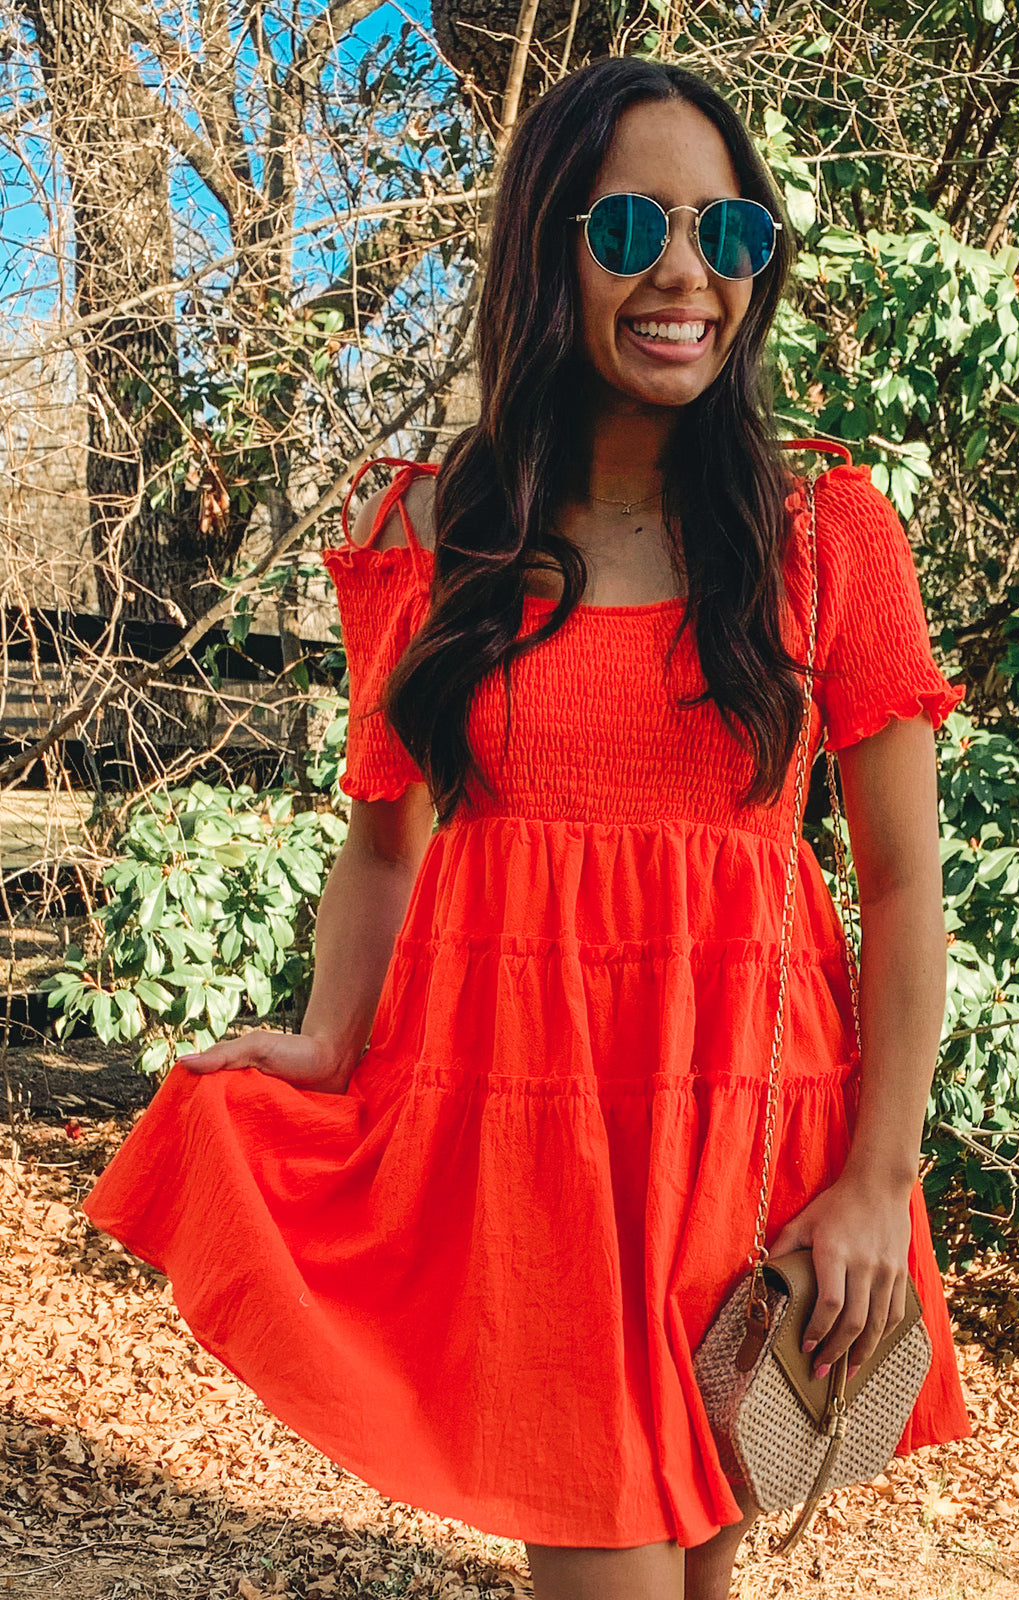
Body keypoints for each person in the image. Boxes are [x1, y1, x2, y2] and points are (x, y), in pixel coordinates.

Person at [82, 55, 971, 1600]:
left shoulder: (826, 533)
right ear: (550, 248)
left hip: (745, 1130)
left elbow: (902, 892)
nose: (687, 273)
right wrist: (323, 1042)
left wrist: (878, 1181)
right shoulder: (438, 531)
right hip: (529, 1134)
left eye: (728, 233)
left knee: (705, 1568)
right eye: (632, 228)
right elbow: (382, 838)